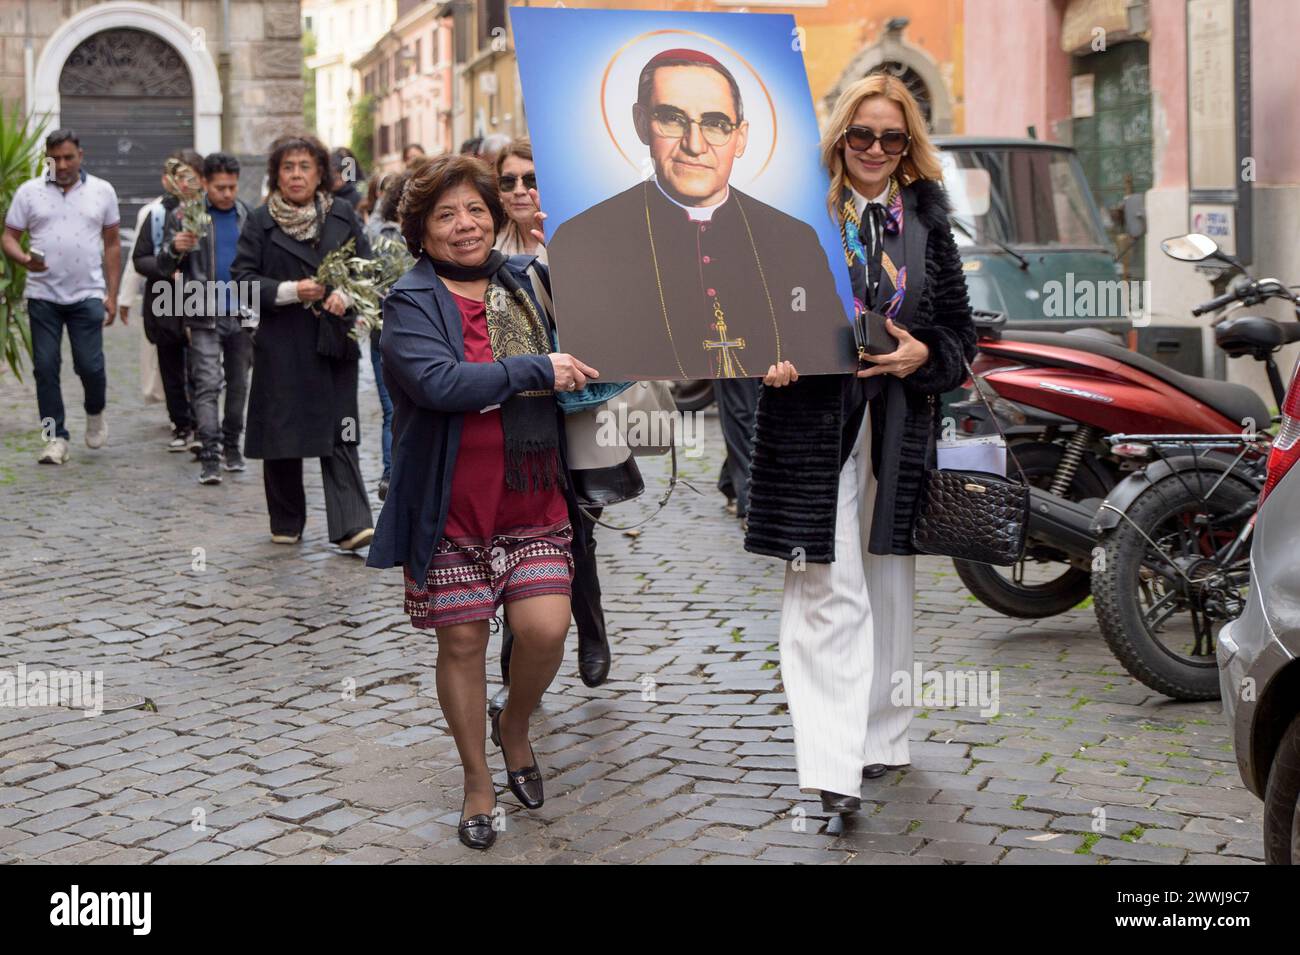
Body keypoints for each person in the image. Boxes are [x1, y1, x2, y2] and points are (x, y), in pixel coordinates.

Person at [743, 73, 976, 816]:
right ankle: (834, 764)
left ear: (909, 147)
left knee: (887, 579)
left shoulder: (925, 223)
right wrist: (768, 355)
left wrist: (921, 357)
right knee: (823, 583)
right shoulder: (798, 215)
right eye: (862, 134)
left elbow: (960, 337)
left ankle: (881, 734)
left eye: (892, 137)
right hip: (811, 425)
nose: (875, 148)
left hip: (897, 424)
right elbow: (749, 317)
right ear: (840, 136)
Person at [366, 154, 598, 850]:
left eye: (475, 209)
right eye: (445, 214)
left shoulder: (530, 281)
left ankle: (515, 723)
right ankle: (476, 779)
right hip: (451, 506)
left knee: (547, 629)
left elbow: (600, 335)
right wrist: (535, 368)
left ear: (494, 215)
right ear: (421, 229)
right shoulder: (410, 299)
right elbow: (440, 383)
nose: (464, 225)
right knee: (463, 641)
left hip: (531, 499)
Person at [547, 48, 845, 380]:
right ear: (642, 124)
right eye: (672, 119)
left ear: (741, 137)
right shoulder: (582, 238)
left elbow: (825, 342)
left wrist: (797, 367)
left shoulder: (795, 238)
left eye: (716, 124)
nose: (695, 144)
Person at [231, 134, 375, 549]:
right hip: (282, 344)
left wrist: (345, 294)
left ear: (320, 173)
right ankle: (287, 520)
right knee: (281, 433)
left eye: (305, 166)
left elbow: (365, 268)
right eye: (288, 167)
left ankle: (352, 525)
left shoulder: (343, 214)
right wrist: (293, 290)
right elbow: (242, 280)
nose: (296, 175)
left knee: (340, 429)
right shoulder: (260, 220)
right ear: (276, 175)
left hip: (333, 341)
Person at [2, 129, 121, 464]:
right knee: (44, 367)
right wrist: (23, 259)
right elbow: (9, 237)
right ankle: (54, 437)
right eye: (55, 159)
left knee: (91, 366)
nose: (63, 164)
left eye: (69, 157)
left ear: (80, 155)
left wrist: (111, 295)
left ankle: (95, 412)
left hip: (87, 294)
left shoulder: (102, 191)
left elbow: (112, 245)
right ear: (47, 159)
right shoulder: (29, 193)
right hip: (43, 295)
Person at [154, 151, 252, 485]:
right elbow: (163, 268)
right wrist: (175, 248)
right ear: (206, 184)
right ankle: (210, 454)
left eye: (232, 187)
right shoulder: (186, 216)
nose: (227, 193)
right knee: (207, 384)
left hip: (242, 311)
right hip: (201, 311)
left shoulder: (246, 216)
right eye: (220, 187)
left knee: (238, 384)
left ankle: (232, 445)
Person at [133, 149, 206, 453]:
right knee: (171, 364)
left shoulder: (211, 212)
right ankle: (181, 424)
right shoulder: (158, 215)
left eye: (191, 176)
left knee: (202, 364)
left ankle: (205, 426)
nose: (185, 183)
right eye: (179, 176)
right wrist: (168, 271)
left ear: (201, 179)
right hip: (165, 300)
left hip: (201, 297)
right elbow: (140, 259)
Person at [493, 138, 545, 262]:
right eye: (508, 181)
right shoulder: (488, 242)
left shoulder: (575, 236)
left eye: (531, 180)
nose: (518, 191)